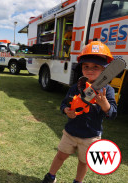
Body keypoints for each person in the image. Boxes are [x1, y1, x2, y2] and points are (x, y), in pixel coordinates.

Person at [41, 41, 117, 183]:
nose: (90, 70)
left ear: (105, 70)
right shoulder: (77, 87)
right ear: (81, 68)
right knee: (60, 155)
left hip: (91, 136)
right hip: (71, 132)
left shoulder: (108, 91)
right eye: (86, 66)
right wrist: (67, 110)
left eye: (96, 67)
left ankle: (78, 181)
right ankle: (50, 176)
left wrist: (105, 104)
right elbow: (64, 103)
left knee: (84, 162)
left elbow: (112, 113)